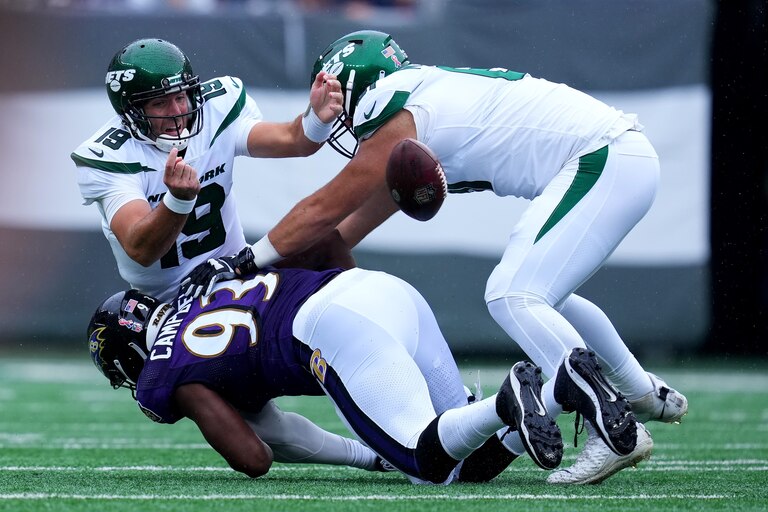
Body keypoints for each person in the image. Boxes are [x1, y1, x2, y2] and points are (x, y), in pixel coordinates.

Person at [181, 30, 688, 485]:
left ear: (362, 83)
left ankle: (612, 423)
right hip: (617, 158)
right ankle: (641, 392)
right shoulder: (417, 105)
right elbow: (342, 229)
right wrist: (281, 275)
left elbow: (321, 207)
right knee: (547, 297)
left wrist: (244, 262)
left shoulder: (393, 107)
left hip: (604, 158)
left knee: (513, 294)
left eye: (338, 95)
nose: (337, 114)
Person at [69, 37, 379, 474]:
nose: (177, 111)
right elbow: (141, 246)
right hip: (179, 305)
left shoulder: (217, 106)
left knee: (321, 241)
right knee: (263, 432)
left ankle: (374, 321)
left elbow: (293, 139)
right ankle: (374, 458)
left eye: (181, 96)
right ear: (130, 109)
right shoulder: (106, 156)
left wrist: (316, 119)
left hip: (239, 269)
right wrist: (177, 202)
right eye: (159, 102)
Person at [89, 263, 638, 482]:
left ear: (126, 353)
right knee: (464, 467)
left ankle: (506, 400)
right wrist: (366, 456)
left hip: (329, 328)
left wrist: (196, 404)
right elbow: (275, 431)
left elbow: (254, 457)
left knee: (427, 462)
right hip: (381, 291)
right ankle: (557, 390)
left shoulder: (169, 374)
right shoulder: (202, 289)